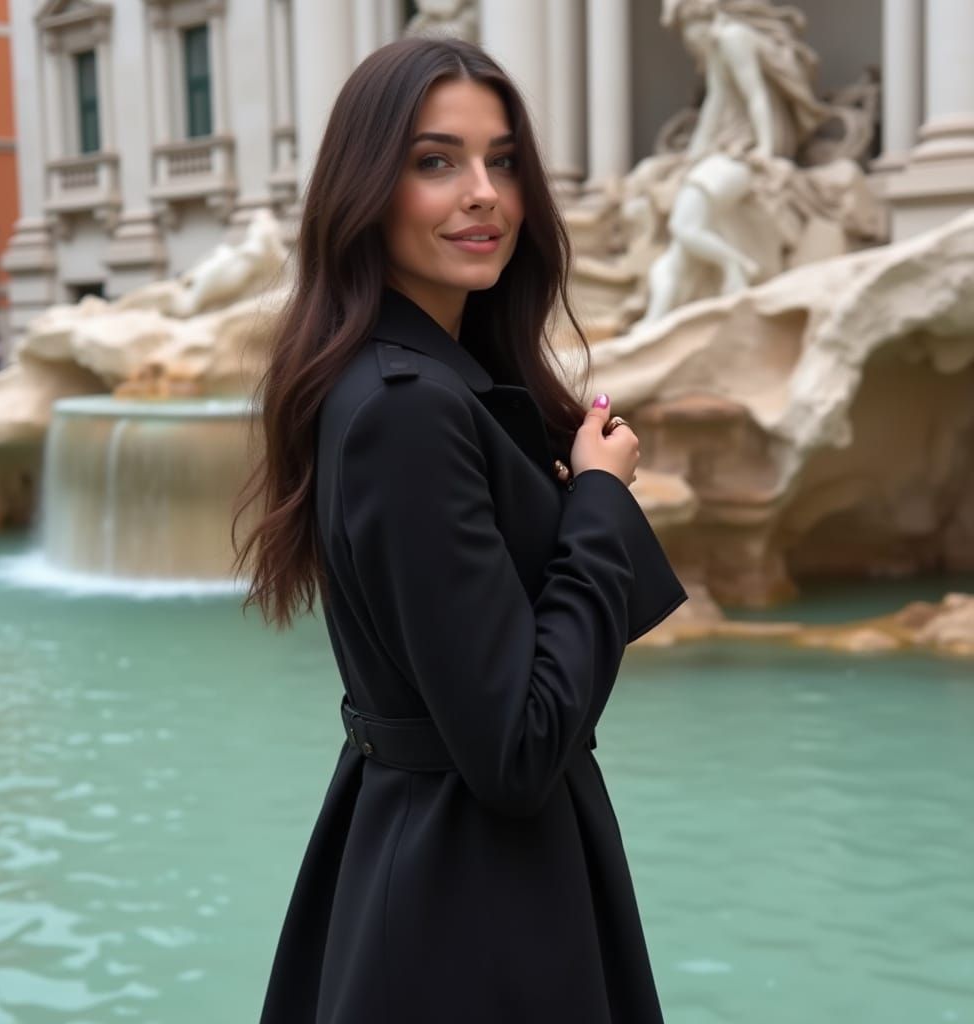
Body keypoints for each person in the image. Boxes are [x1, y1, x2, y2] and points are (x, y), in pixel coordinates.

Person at [232, 37, 687, 1024]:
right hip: (473, 911)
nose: (483, 192)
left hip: (435, 863)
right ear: (367, 189)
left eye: (503, 160)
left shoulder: (423, 381)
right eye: (435, 161)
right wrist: (599, 500)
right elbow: (517, 745)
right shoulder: (407, 406)